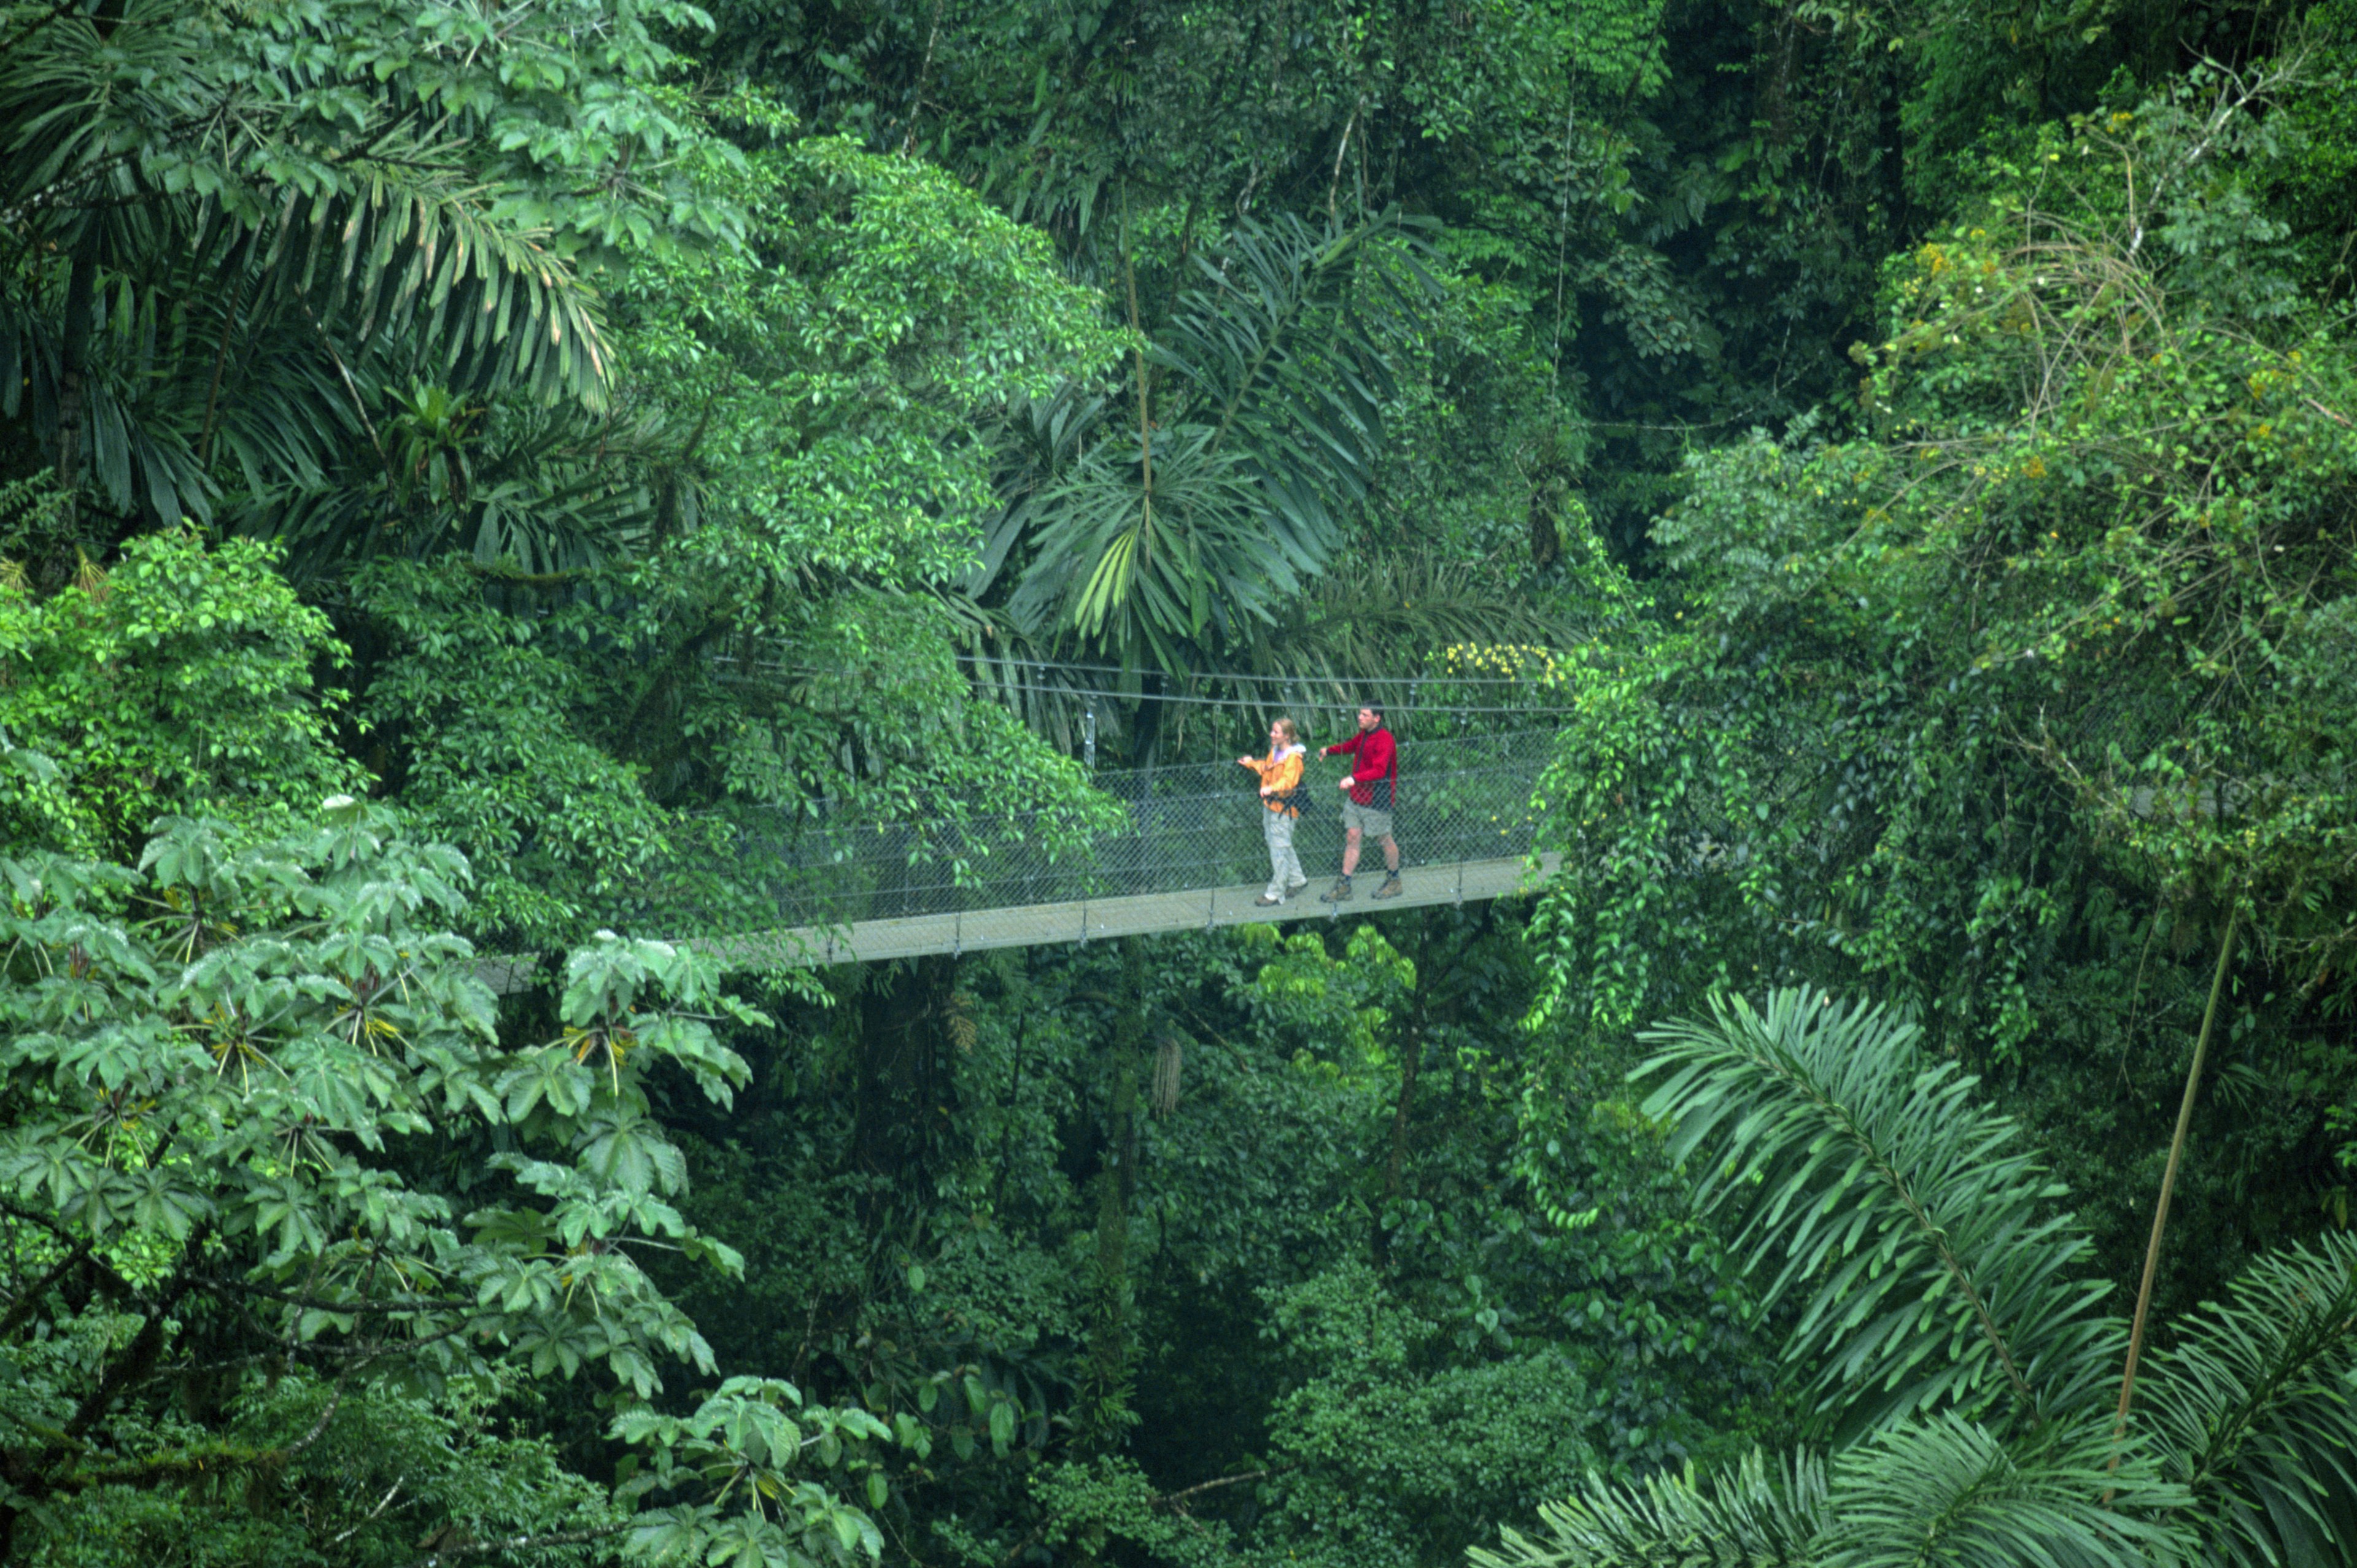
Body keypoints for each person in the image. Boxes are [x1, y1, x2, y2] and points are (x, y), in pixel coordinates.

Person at [1319, 704, 1400, 901]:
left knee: (1384, 839)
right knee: (1352, 837)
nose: (1360, 717)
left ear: (1377, 718)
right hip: (1357, 798)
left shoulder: (1385, 739)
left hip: (1377, 800)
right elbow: (1350, 746)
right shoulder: (1364, 735)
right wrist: (1329, 751)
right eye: (1360, 714)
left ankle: (1394, 881)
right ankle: (1345, 885)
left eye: (1365, 715)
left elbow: (1379, 770)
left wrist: (1353, 779)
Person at [1237, 717, 1310, 905]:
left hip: (1285, 810)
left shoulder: (1294, 758)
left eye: (1276, 732)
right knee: (1279, 845)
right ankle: (1297, 880)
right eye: (1272, 731)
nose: (1272, 734)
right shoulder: (1276, 751)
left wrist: (1271, 788)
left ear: (1287, 736)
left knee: (1279, 850)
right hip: (1271, 806)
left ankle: (1276, 893)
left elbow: (1289, 782)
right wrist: (1251, 763)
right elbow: (1267, 769)